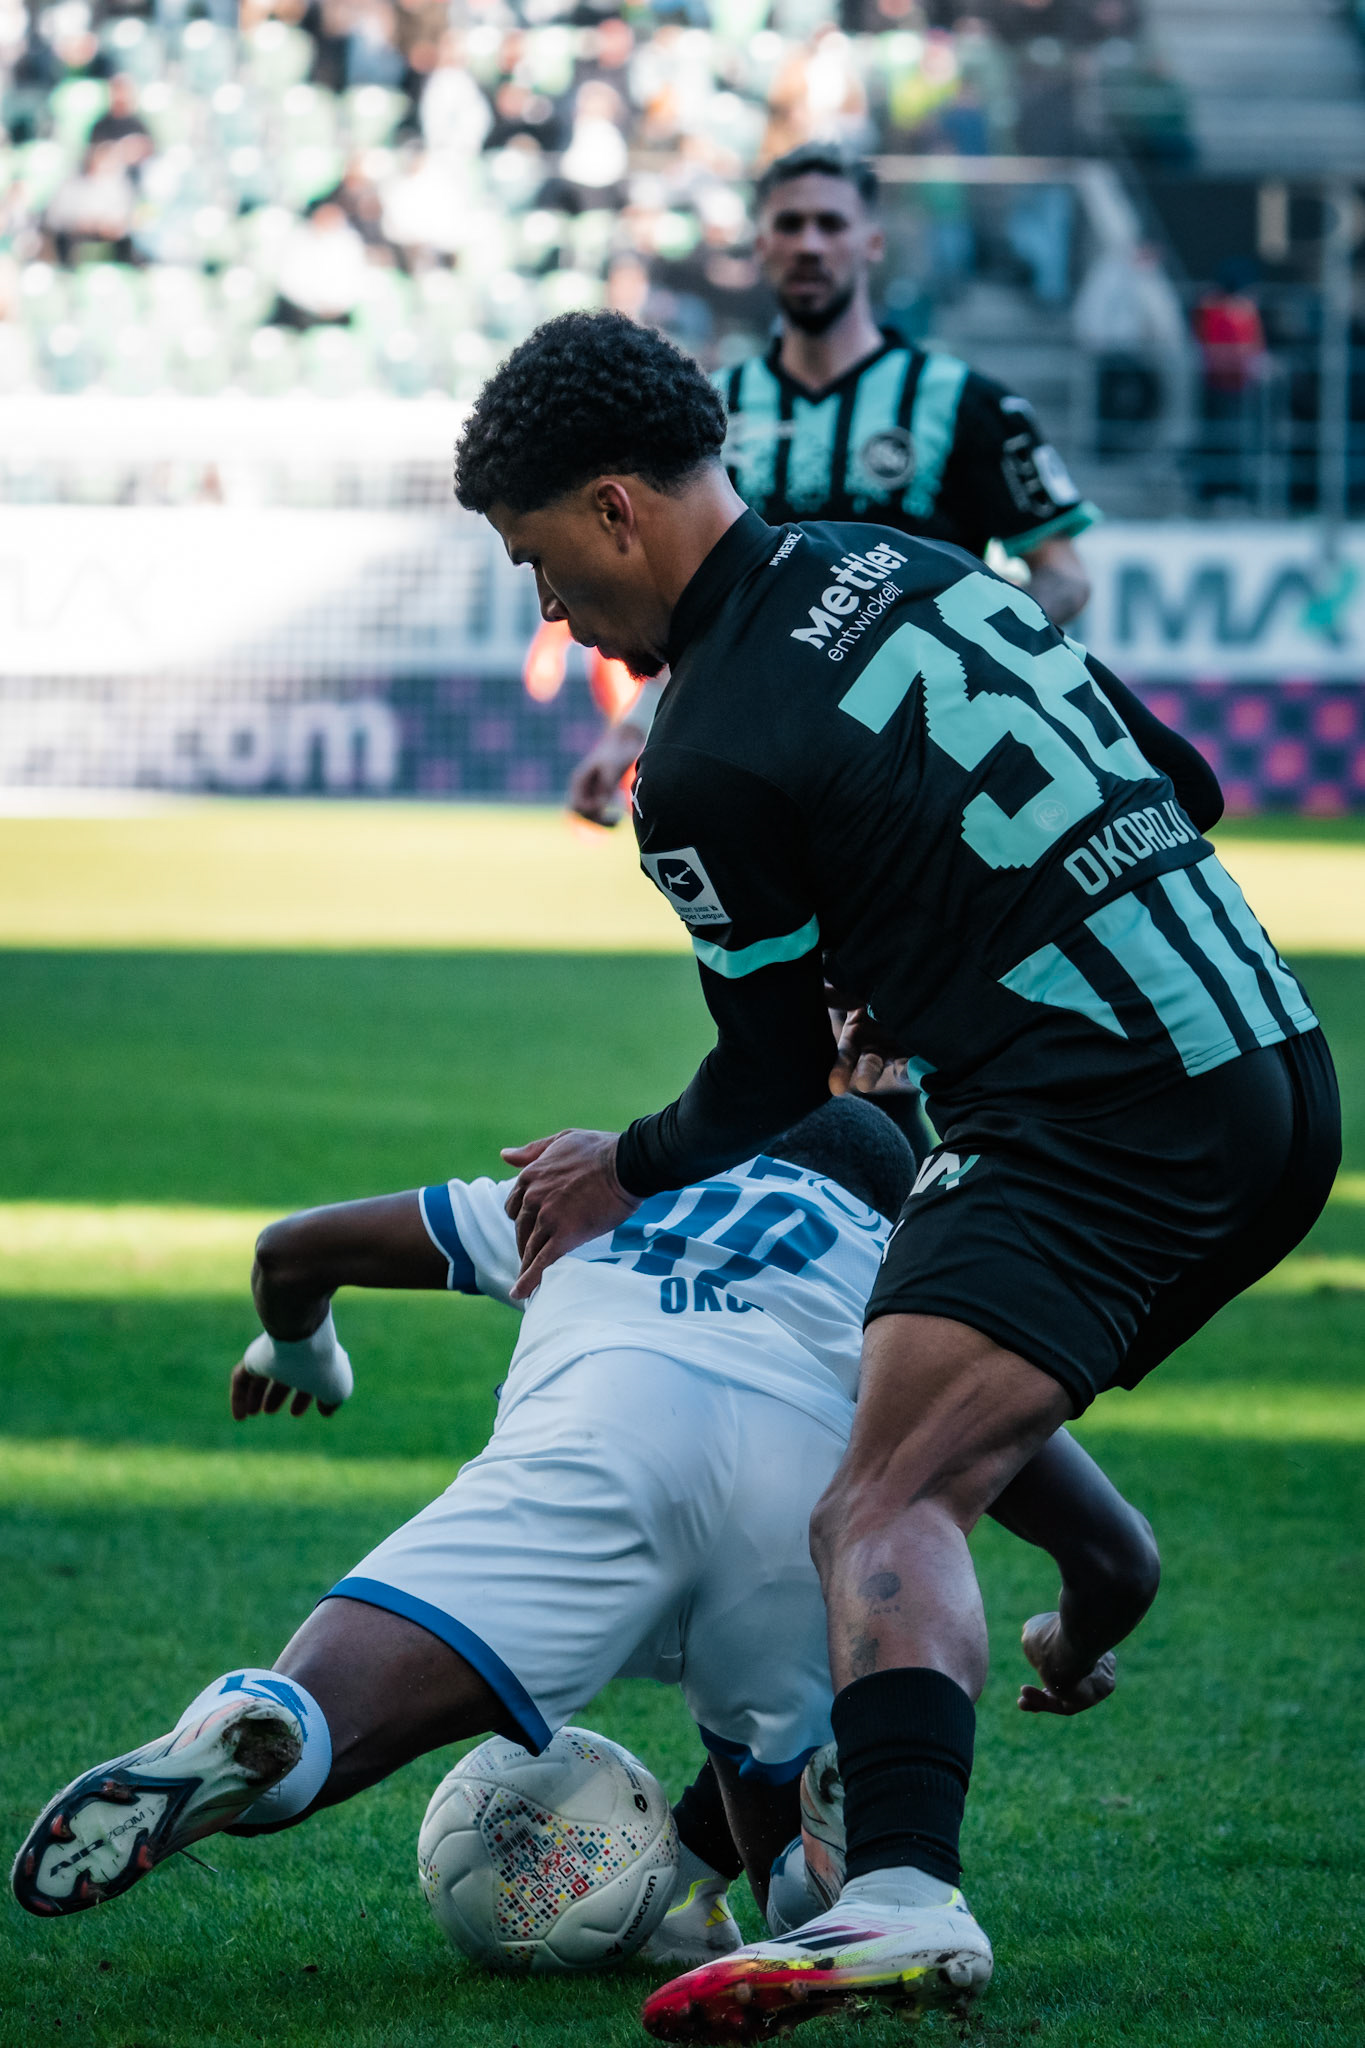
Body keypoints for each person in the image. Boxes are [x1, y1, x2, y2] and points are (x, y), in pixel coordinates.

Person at [451, 311, 1341, 2038]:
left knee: (880, 1498)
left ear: (618, 507)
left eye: (539, 562)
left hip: (1095, 1113)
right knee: (931, 1386)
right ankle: (1092, 1606)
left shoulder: (696, 757)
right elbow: (1191, 782)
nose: (550, 611)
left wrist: (612, 1167)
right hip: (1275, 1066)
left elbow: (773, 1083)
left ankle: (899, 1894)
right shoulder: (913, 557)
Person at [12, 1099, 1159, 1958]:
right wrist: (1067, 1640)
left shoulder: (597, 1188)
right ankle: (829, 1826)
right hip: (802, 1515)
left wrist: (301, 1346)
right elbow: (1116, 1556)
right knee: (803, 1883)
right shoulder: (921, 1291)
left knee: (313, 1729)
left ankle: (253, 1722)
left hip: (600, 1448)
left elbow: (290, 1248)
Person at [567, 144, 1099, 827]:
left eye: (830, 223)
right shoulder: (704, 415)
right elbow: (693, 616)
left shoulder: (966, 402)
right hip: (768, 772)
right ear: (760, 245)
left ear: (871, 241)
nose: (808, 244)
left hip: (931, 770)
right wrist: (628, 734)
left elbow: (1064, 577)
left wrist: (961, 647)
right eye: (788, 226)